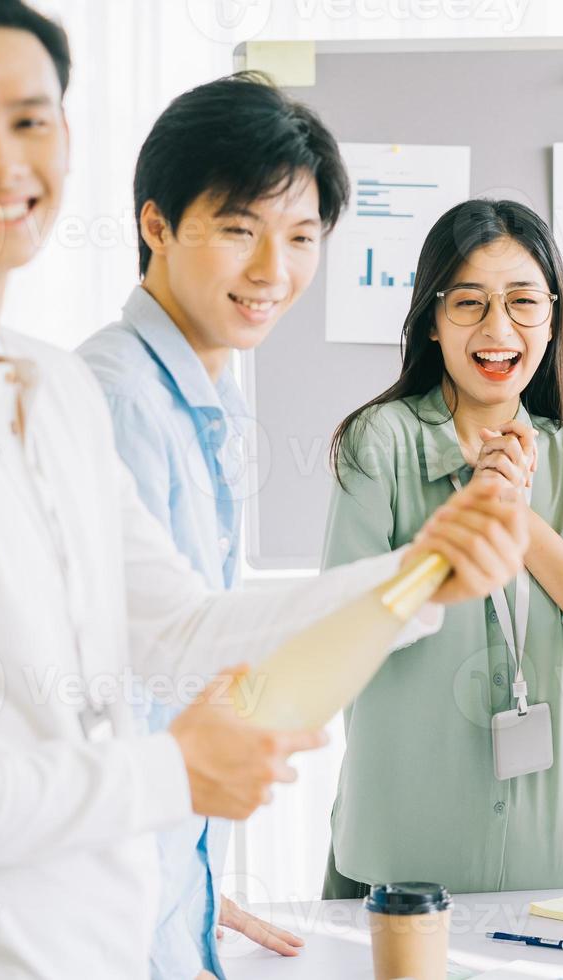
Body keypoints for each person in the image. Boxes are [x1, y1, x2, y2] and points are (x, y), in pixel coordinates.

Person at [0, 5, 528, 976]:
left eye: (31, 120)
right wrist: (167, 772)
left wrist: (414, 577)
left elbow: (181, 628)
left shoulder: (53, 387)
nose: (2, 160)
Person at [79, 73, 347, 977]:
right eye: (240, 230)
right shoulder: (115, 402)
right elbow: (99, 695)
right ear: (157, 225)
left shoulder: (208, 396)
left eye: (302, 238)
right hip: (103, 912)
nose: (274, 271)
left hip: (160, 891)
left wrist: (192, 892)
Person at [322, 199, 563, 897]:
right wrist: (465, 523)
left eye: (522, 302)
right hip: (405, 853)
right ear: (431, 318)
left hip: (559, 856)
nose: (497, 329)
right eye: (469, 303)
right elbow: (340, 638)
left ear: (553, 315)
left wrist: (523, 522)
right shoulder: (379, 443)